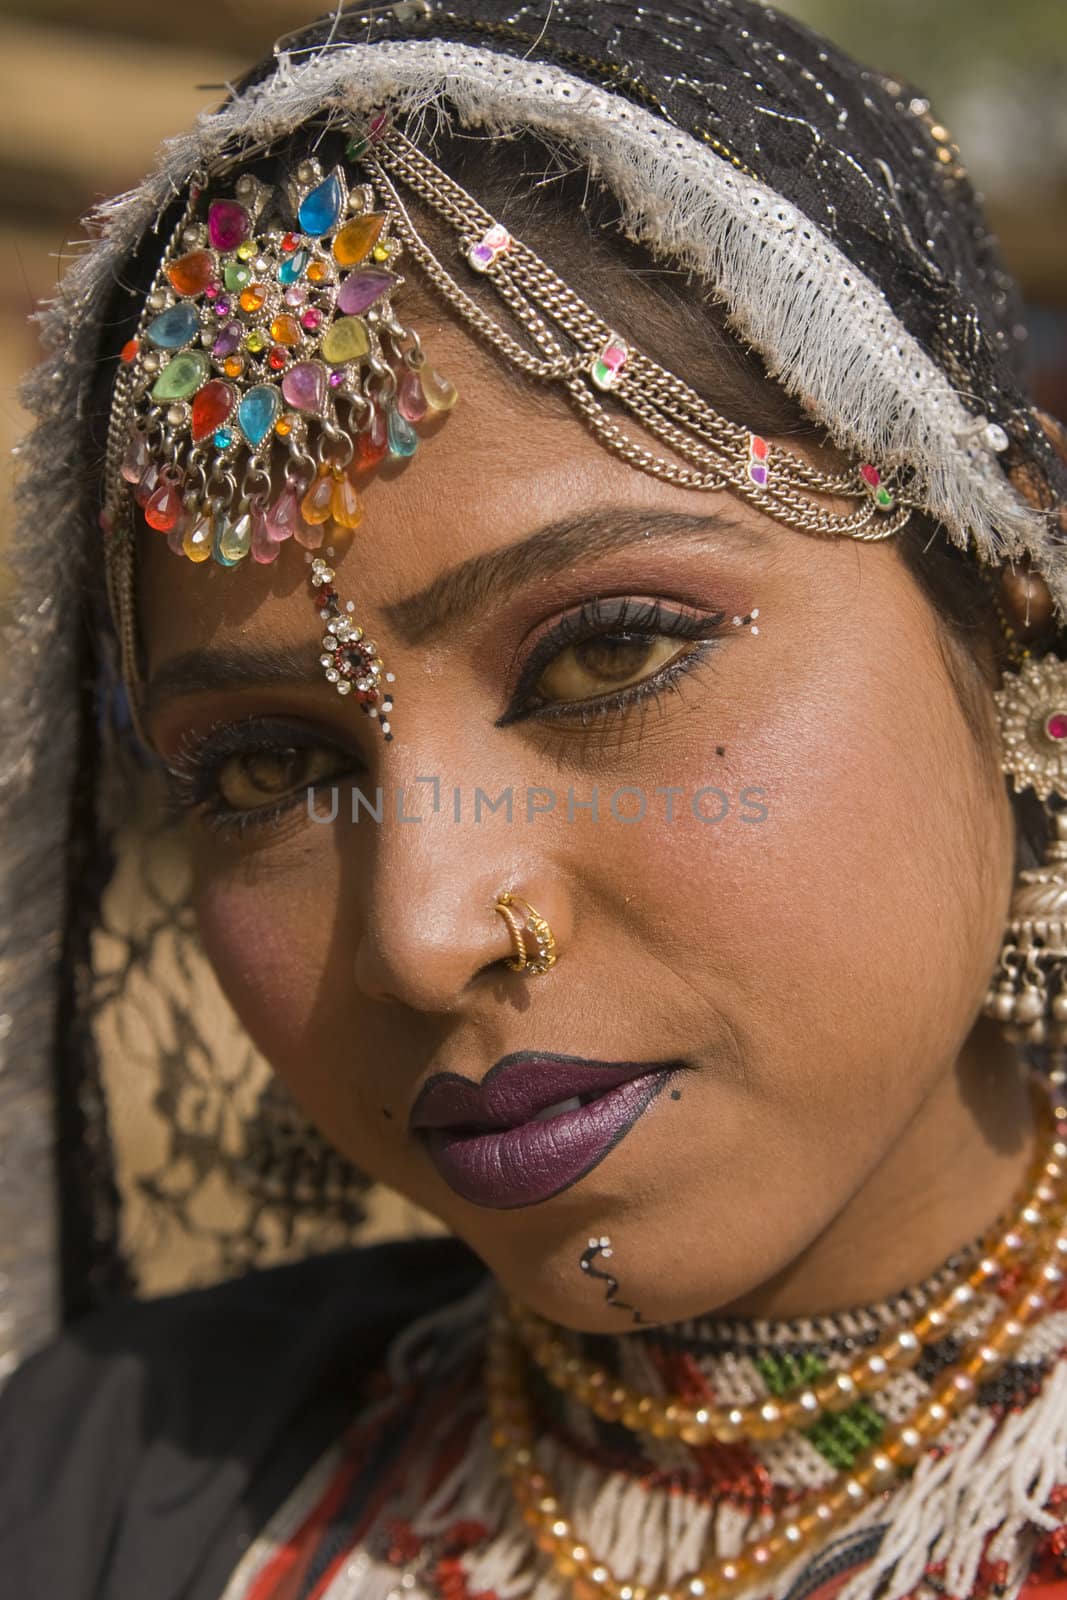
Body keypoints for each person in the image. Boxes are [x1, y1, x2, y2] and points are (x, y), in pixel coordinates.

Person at [0, 2, 1065, 1597]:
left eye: (607, 655)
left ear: (1012, 619)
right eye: (269, 770)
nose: (423, 936)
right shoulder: (107, 1484)